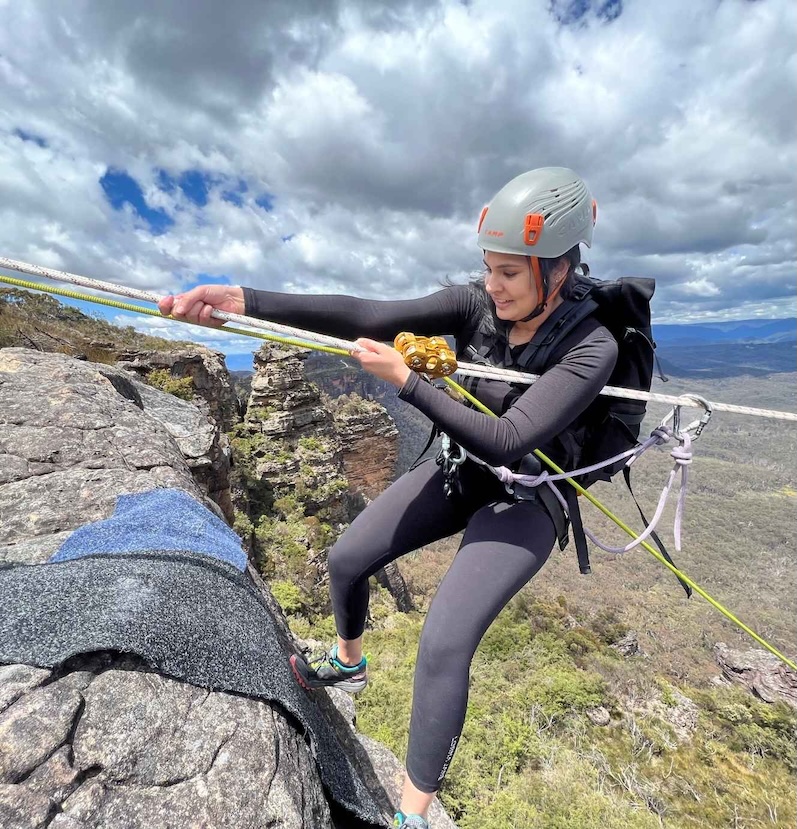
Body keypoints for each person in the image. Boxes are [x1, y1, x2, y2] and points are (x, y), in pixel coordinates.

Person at [159, 167, 618, 829]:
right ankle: (348, 665)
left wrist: (406, 381)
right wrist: (239, 298)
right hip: (466, 469)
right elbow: (365, 314)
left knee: (443, 641)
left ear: (558, 269)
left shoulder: (591, 346)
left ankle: (412, 815)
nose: (492, 285)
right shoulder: (476, 307)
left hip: (526, 498)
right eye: (488, 268)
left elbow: (509, 436)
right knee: (347, 559)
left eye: (509, 273)